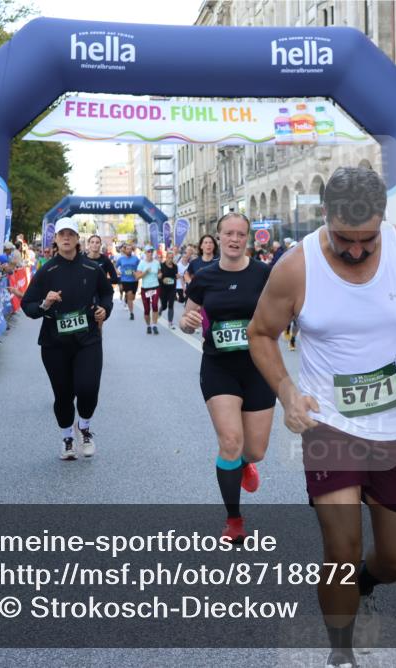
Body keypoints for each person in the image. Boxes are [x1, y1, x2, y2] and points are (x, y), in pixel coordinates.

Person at [246, 167, 396, 668]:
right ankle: (340, 656)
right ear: (325, 217)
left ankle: (369, 583)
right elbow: (262, 333)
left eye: (368, 240)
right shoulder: (296, 267)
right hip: (331, 427)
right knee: (341, 551)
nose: (358, 251)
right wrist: (287, 392)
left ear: (382, 221)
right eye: (345, 239)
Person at [181, 213, 274, 543]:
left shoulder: (265, 274)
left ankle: (245, 464)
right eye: (228, 233)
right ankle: (234, 520)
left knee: (256, 450)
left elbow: (283, 310)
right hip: (219, 366)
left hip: (260, 367)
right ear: (218, 237)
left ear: (247, 238)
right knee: (230, 442)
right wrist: (189, 323)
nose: (234, 239)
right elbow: (186, 318)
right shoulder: (204, 277)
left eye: (240, 234)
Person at [21, 218, 113, 460]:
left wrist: (105, 309)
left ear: (77, 239)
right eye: (62, 234)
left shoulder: (93, 269)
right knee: (63, 394)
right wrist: (45, 303)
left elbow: (106, 293)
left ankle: (84, 428)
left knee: (88, 388)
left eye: (70, 234)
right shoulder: (46, 271)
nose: (66, 238)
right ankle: (67, 438)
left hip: (88, 339)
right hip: (55, 344)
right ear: (55, 239)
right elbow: (27, 305)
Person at [137, 245, 161, 334]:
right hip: (145, 288)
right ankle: (148, 325)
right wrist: (145, 272)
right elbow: (137, 277)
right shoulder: (142, 263)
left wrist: (160, 276)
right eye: (148, 251)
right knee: (147, 309)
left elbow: (159, 273)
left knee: (155, 305)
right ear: (145, 253)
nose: (150, 253)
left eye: (151, 251)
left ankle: (154, 325)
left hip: (155, 286)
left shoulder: (156, 263)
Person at [115, 243, 140, 320]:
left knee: (133, 297)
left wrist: (137, 273)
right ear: (125, 250)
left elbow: (140, 268)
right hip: (125, 280)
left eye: (130, 249)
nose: (129, 250)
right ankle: (131, 313)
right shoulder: (121, 259)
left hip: (134, 280)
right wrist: (117, 272)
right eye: (127, 249)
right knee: (129, 295)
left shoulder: (136, 259)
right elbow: (115, 267)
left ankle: (129, 301)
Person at [158, 250, 178, 329]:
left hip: (172, 289)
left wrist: (177, 276)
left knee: (171, 305)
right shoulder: (161, 266)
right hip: (163, 289)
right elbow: (158, 275)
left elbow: (175, 275)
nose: (170, 259)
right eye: (169, 258)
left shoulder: (175, 266)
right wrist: (160, 277)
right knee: (164, 306)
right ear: (166, 258)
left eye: (172, 258)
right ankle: (161, 309)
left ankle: (170, 322)